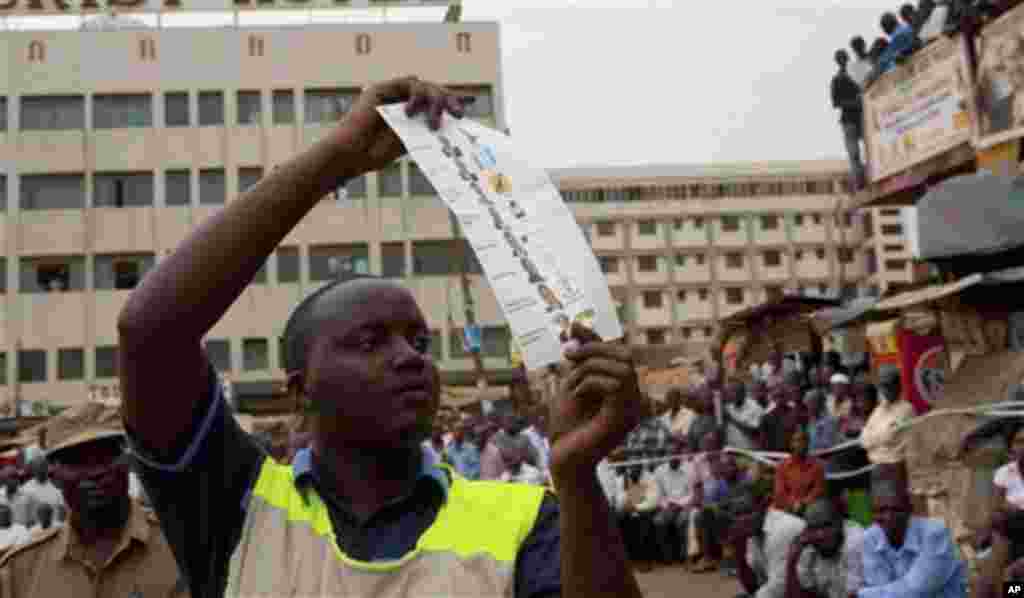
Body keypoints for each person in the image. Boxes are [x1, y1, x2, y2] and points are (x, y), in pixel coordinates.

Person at [117, 77, 646, 598]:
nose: (410, 359)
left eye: (419, 343)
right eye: (370, 343)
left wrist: (576, 475)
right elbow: (150, 333)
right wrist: (337, 158)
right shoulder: (236, 505)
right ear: (300, 392)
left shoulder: (526, 519)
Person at [0, 428, 189, 597]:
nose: (94, 472)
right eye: (76, 461)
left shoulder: (181, 548)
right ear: (54, 477)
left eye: (106, 456)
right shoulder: (20, 570)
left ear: (127, 463)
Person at [858, 478, 967, 597]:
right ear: (872, 514)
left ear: (910, 509)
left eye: (896, 510)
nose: (889, 517)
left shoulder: (935, 534)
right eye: (880, 510)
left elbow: (916, 590)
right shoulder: (870, 538)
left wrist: (863, 594)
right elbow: (879, 588)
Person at [727, 482, 807, 598]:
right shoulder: (752, 532)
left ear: (763, 506)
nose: (743, 519)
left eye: (748, 511)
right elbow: (753, 586)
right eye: (737, 514)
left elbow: (780, 585)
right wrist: (739, 554)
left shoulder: (782, 528)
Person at [788, 498, 865, 598]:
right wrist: (792, 561)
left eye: (827, 525)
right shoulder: (808, 546)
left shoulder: (855, 540)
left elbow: (855, 595)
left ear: (840, 522)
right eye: (814, 528)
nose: (821, 534)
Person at [859, 366, 915, 466]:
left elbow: (889, 436)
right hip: (875, 465)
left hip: (895, 466)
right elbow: (864, 440)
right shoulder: (878, 410)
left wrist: (874, 437)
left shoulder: (906, 410)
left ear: (898, 386)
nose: (886, 390)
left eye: (889, 385)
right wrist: (879, 438)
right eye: (883, 386)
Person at [652, 449, 694, 565]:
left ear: (680, 457)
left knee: (683, 520)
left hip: (685, 505)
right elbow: (658, 494)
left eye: (676, 456)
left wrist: (679, 505)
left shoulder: (689, 469)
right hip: (667, 506)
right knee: (658, 521)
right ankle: (667, 557)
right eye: (670, 455)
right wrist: (667, 506)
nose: (673, 458)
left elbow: (692, 493)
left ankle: (684, 556)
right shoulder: (659, 471)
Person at [773, 429, 826, 517]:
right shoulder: (782, 466)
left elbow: (818, 490)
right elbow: (779, 491)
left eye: (803, 440)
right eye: (796, 440)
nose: (800, 444)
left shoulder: (817, 467)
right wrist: (792, 503)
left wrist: (803, 503)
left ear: (807, 444)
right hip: (785, 507)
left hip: (808, 508)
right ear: (791, 444)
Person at [620, 460, 660, 571]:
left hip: (648, 509)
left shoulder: (650, 478)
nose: (633, 470)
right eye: (631, 468)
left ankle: (645, 561)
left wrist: (636, 508)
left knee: (643, 523)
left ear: (641, 468)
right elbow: (623, 499)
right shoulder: (627, 477)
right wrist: (626, 500)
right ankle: (629, 560)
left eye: (636, 468)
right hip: (633, 507)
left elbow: (653, 501)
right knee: (620, 519)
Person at [724, 380, 764, 451]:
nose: (731, 394)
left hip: (750, 453)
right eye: (729, 392)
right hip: (731, 451)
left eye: (734, 391)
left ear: (743, 393)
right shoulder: (728, 407)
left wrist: (732, 419)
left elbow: (754, 432)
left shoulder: (755, 408)